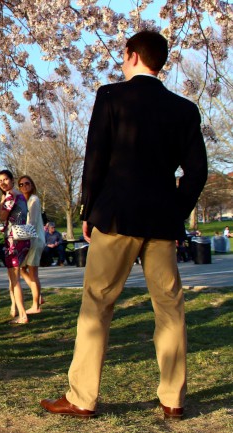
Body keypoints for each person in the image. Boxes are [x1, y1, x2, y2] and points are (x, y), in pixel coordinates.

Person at [41, 31, 208, 420]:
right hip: (162, 222)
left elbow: (95, 157)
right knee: (170, 308)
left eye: (123, 54)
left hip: (116, 217)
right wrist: (175, 207)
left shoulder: (111, 95)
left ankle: (82, 398)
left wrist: (87, 211)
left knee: (97, 303)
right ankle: (173, 399)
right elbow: (197, 171)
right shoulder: (185, 109)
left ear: (132, 55)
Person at [0, 170, 31, 324]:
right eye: (0, 181)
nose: (3, 183)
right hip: (23, 238)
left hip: (13, 240)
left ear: (11, 180)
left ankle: (22, 315)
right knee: (13, 277)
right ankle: (15, 308)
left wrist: (2, 202)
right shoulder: (20, 195)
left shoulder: (10, 196)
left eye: (5, 179)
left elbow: (3, 216)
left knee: (15, 279)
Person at [17, 175, 45, 314]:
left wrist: (21, 233)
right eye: (21, 185)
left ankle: (36, 306)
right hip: (27, 239)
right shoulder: (22, 201)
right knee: (21, 269)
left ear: (32, 185)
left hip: (35, 239)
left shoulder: (34, 199)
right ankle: (38, 295)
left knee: (33, 273)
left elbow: (32, 222)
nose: (24, 186)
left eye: (27, 183)